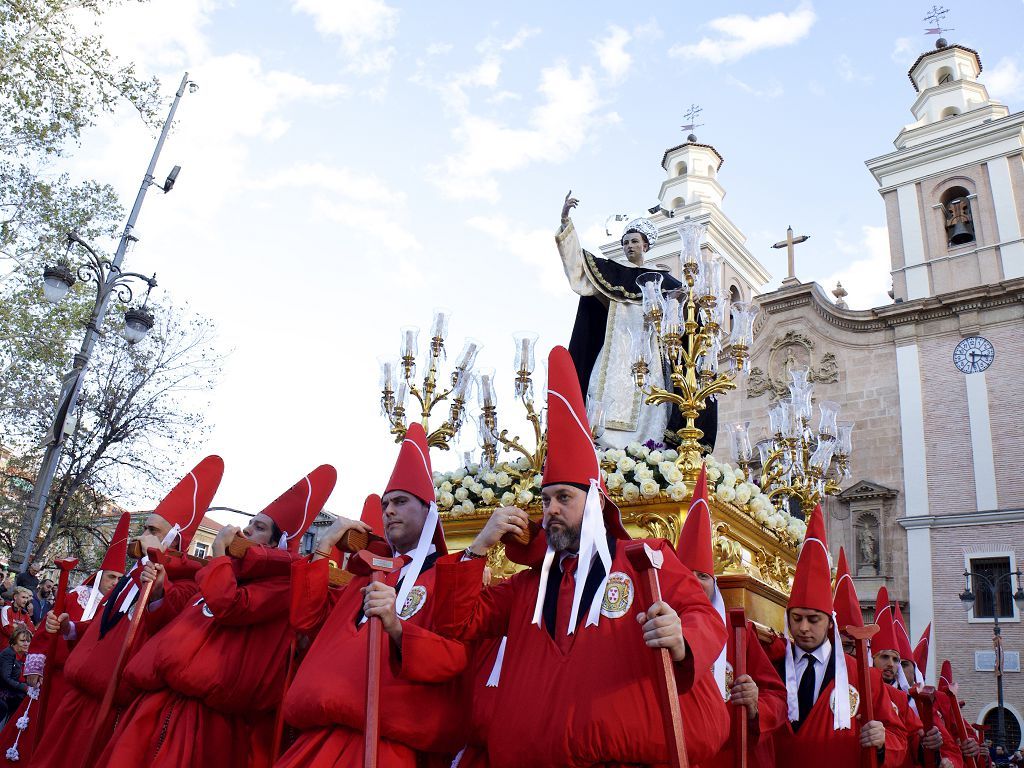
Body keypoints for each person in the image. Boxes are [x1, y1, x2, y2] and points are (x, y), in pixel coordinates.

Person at [432, 346, 730, 767]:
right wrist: (478, 548)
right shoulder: (525, 587)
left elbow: (704, 616)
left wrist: (681, 636)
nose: (550, 509)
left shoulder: (646, 558)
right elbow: (455, 622)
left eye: (563, 498)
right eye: (546, 498)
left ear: (594, 502)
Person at [98, 465, 337, 768]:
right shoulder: (226, 572)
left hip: (204, 721)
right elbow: (169, 627)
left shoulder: (281, 585)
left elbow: (230, 607)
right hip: (157, 702)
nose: (246, 531)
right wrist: (159, 592)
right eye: (249, 523)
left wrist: (220, 552)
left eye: (259, 528)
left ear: (278, 542)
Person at [276, 424, 468, 767]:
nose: (388, 511)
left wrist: (397, 627)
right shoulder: (369, 575)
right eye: (385, 504)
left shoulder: (449, 578)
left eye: (400, 502)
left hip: (386, 747)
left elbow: (455, 657)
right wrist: (324, 546)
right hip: (322, 739)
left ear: (428, 511)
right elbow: (306, 620)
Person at [28, 456, 224, 768]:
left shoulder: (185, 583)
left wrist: (159, 588)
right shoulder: (134, 575)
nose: (142, 535)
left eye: (153, 530)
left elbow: (165, 619)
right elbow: (107, 625)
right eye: (144, 527)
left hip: (110, 709)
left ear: (175, 537)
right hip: (77, 698)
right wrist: (71, 630)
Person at [556, 192, 718, 450]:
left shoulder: (665, 281)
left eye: (634, 241)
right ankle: (600, 448)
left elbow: (685, 319)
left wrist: (679, 301)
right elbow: (578, 267)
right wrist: (566, 221)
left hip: (648, 353)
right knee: (600, 395)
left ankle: (648, 453)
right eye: (625, 242)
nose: (629, 246)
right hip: (614, 352)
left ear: (646, 245)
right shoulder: (612, 274)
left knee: (650, 402)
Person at [768, 506, 906, 767]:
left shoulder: (863, 677)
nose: (804, 628)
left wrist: (882, 739)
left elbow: (898, 735)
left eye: (813, 619)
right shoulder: (772, 667)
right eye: (796, 619)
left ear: (829, 621)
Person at [675, 463, 788, 768]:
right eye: (685, 575)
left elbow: (776, 697)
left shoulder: (739, 632)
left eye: (702, 576)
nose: (694, 582)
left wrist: (755, 704)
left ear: (714, 584)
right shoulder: (661, 628)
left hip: (729, 756)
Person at [0, 513, 131, 767]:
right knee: (34, 733)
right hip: (54, 678)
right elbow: (43, 634)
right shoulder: (75, 598)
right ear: (100, 575)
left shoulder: (118, 608)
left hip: (80, 688)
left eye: (119, 578)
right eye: (111, 577)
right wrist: (35, 669)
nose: (115, 582)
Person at [0, 629, 31, 729]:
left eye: (28, 641)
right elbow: (6, 678)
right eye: (22, 641)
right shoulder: (8, 653)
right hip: (4, 690)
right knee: (20, 701)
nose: (26, 644)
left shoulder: (26, 656)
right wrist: (25, 688)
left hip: (15, 690)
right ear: (14, 641)